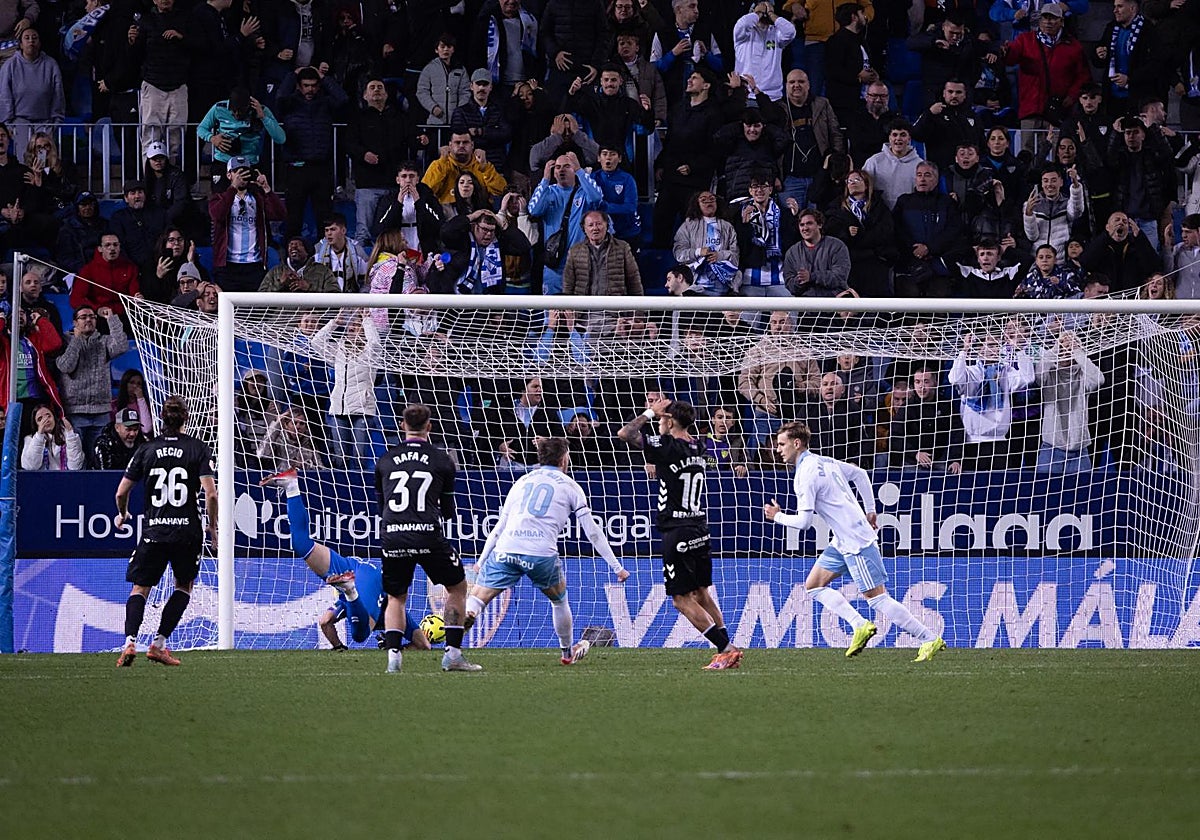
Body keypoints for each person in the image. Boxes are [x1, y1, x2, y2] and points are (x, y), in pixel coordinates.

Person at [765, 422, 947, 662]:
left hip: (855, 540)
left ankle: (928, 638)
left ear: (796, 443)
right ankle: (859, 624)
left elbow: (804, 522)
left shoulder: (804, 475)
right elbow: (860, 474)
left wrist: (776, 516)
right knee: (813, 586)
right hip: (842, 539)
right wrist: (870, 510)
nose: (778, 449)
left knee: (878, 598)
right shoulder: (825, 461)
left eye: (781, 444)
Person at [465, 437, 629, 665]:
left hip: (507, 548)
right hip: (540, 552)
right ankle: (566, 653)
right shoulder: (570, 485)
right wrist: (617, 567)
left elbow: (498, 528)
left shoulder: (522, 481)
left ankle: (460, 631)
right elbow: (593, 533)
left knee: (478, 599)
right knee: (559, 601)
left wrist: (480, 562)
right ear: (563, 459)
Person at [617, 397, 744, 670]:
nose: (660, 421)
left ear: (670, 420)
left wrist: (650, 411)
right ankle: (727, 650)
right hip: (699, 527)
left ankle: (725, 647)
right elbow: (668, 446)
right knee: (701, 593)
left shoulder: (666, 446)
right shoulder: (699, 445)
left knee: (680, 600)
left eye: (664, 417)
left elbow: (625, 434)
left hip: (677, 531)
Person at [259, 468, 430, 651]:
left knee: (302, 545)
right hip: (370, 580)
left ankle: (292, 487)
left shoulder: (369, 610)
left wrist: (339, 647)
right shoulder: (399, 615)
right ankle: (349, 590)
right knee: (360, 635)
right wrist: (395, 647)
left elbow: (325, 622)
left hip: (353, 567)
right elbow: (424, 645)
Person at [375, 403, 479, 673]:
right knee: (457, 587)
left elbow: (381, 507)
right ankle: (453, 655)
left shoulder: (385, 460)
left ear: (402, 425)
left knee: (396, 597)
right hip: (427, 535)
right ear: (429, 426)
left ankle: (394, 660)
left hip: (394, 536)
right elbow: (447, 511)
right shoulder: (442, 459)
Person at [114, 396, 217, 667]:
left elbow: (122, 491)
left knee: (141, 588)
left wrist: (123, 514)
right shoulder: (198, 448)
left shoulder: (147, 449)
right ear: (186, 418)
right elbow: (211, 494)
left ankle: (129, 642)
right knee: (183, 586)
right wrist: (212, 526)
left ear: (162, 419)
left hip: (154, 531)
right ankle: (159, 644)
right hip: (187, 533)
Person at [56, 305, 130, 463]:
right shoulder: (64, 340)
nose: (88, 319)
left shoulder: (103, 341)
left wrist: (111, 318)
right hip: (75, 412)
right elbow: (65, 366)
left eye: (92, 317)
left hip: (101, 411)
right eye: (83, 317)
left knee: (100, 461)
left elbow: (122, 346)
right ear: (75, 322)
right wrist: (76, 341)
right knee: (76, 462)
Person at [209, 158, 287, 292]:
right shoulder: (220, 198)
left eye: (245, 171)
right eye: (237, 172)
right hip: (227, 267)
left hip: (254, 265)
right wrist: (233, 188)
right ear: (229, 175)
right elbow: (217, 215)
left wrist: (266, 189)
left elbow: (280, 214)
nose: (241, 176)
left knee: (253, 310)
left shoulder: (258, 198)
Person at [1038, 330, 1104, 474]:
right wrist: (1057, 346)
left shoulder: (1082, 375)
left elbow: (1099, 379)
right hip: (1052, 449)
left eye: (1070, 349)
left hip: (1080, 451)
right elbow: (1039, 372)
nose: (1066, 352)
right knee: (1043, 495)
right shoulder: (1050, 375)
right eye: (1063, 349)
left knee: (1084, 495)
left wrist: (1077, 350)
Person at [733, 2, 797, 102]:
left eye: (767, 9)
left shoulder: (776, 33)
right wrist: (758, 13)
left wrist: (771, 14)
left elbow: (790, 32)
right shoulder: (743, 35)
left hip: (774, 97)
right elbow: (743, 24)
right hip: (748, 96)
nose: (765, 12)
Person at [21, 404, 85, 471]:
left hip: (67, 478)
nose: (46, 420)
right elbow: (31, 467)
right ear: (36, 424)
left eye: (48, 416)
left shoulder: (68, 436)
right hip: (42, 479)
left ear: (54, 417)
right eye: (40, 419)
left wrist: (71, 435)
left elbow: (75, 466)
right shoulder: (30, 439)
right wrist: (39, 437)